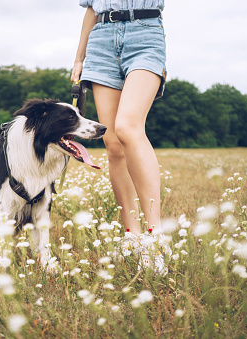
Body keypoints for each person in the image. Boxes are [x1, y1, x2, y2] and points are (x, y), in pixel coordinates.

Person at [71, 0, 168, 272]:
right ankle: (132, 236)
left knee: (127, 127)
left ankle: (155, 237)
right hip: (101, 40)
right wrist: (79, 58)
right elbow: (91, 8)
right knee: (112, 142)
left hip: (145, 33)